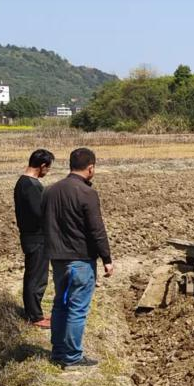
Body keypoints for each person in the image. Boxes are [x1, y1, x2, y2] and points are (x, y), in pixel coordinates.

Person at [42, 147, 113, 369]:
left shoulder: (50, 191)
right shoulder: (87, 193)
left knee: (60, 305)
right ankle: (72, 357)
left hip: (57, 258)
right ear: (90, 168)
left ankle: (58, 351)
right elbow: (96, 229)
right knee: (77, 308)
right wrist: (107, 258)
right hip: (79, 260)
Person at [14, 149, 54, 328]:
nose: (48, 172)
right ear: (42, 166)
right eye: (48, 168)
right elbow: (39, 213)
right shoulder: (31, 185)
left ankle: (33, 312)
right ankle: (35, 316)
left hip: (30, 236)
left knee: (34, 275)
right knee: (37, 277)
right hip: (36, 237)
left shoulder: (23, 182)